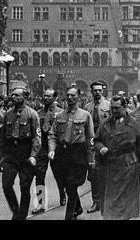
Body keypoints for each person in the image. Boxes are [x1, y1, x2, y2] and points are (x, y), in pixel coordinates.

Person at [48, 87, 95, 220]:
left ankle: (69, 216)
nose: (70, 98)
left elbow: (90, 138)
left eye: (73, 95)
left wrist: (91, 159)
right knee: (66, 183)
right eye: (68, 95)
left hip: (78, 152)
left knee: (72, 183)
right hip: (63, 153)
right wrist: (52, 149)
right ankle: (77, 207)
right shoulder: (60, 116)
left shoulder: (85, 115)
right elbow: (53, 134)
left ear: (78, 97)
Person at [94, 96, 140, 220]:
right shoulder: (105, 123)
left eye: (117, 108)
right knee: (110, 201)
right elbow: (97, 140)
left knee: (124, 203)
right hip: (109, 166)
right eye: (112, 108)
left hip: (127, 166)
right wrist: (101, 148)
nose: (114, 111)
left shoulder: (133, 123)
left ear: (124, 107)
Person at [0, 87, 41, 220]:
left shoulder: (32, 114)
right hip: (11, 155)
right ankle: (15, 210)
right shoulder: (8, 114)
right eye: (12, 95)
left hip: (25, 153)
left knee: (25, 187)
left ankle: (21, 216)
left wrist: (33, 155)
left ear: (24, 97)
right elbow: (2, 137)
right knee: (6, 185)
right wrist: (2, 155)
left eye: (17, 95)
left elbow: (36, 137)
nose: (13, 97)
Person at [31, 89, 65, 215]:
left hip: (56, 147)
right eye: (44, 95)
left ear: (54, 97)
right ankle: (40, 203)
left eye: (48, 96)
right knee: (39, 175)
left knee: (59, 174)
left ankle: (63, 194)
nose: (45, 98)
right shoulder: (39, 112)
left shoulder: (61, 112)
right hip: (42, 147)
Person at [83, 81, 111, 214]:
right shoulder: (87, 107)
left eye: (100, 90)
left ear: (103, 91)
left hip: (106, 144)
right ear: (91, 91)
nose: (97, 92)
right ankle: (96, 201)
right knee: (93, 173)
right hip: (91, 144)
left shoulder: (109, 105)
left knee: (107, 173)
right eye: (95, 90)